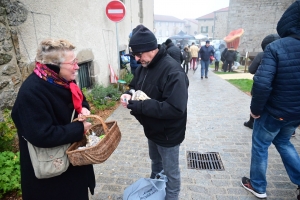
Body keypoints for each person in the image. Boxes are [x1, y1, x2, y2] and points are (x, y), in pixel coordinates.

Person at [11, 39, 95, 200]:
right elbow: (41, 134)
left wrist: (84, 108)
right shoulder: (31, 93)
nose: (77, 66)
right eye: (72, 63)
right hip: (51, 175)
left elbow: (81, 100)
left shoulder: (64, 81)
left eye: (76, 61)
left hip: (73, 166)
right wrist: (79, 129)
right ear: (54, 66)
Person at [120, 25, 189, 200]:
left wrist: (140, 106)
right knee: (156, 164)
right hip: (152, 129)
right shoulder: (145, 65)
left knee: (171, 173)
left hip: (168, 134)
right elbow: (135, 85)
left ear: (152, 48)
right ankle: (155, 191)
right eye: (134, 55)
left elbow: (175, 109)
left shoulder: (174, 72)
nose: (136, 59)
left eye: (139, 54)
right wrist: (129, 94)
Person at [241, 1, 300, 199]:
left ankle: (257, 185)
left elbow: (262, 83)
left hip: (275, 112)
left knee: (260, 145)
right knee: (284, 143)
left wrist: (255, 110)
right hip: (295, 113)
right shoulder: (277, 47)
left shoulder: (276, 47)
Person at [243, 34, 280, 130]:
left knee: (258, 99)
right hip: (281, 88)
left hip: (263, 84)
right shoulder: (287, 54)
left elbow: (251, 69)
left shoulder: (262, 55)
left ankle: (252, 121)